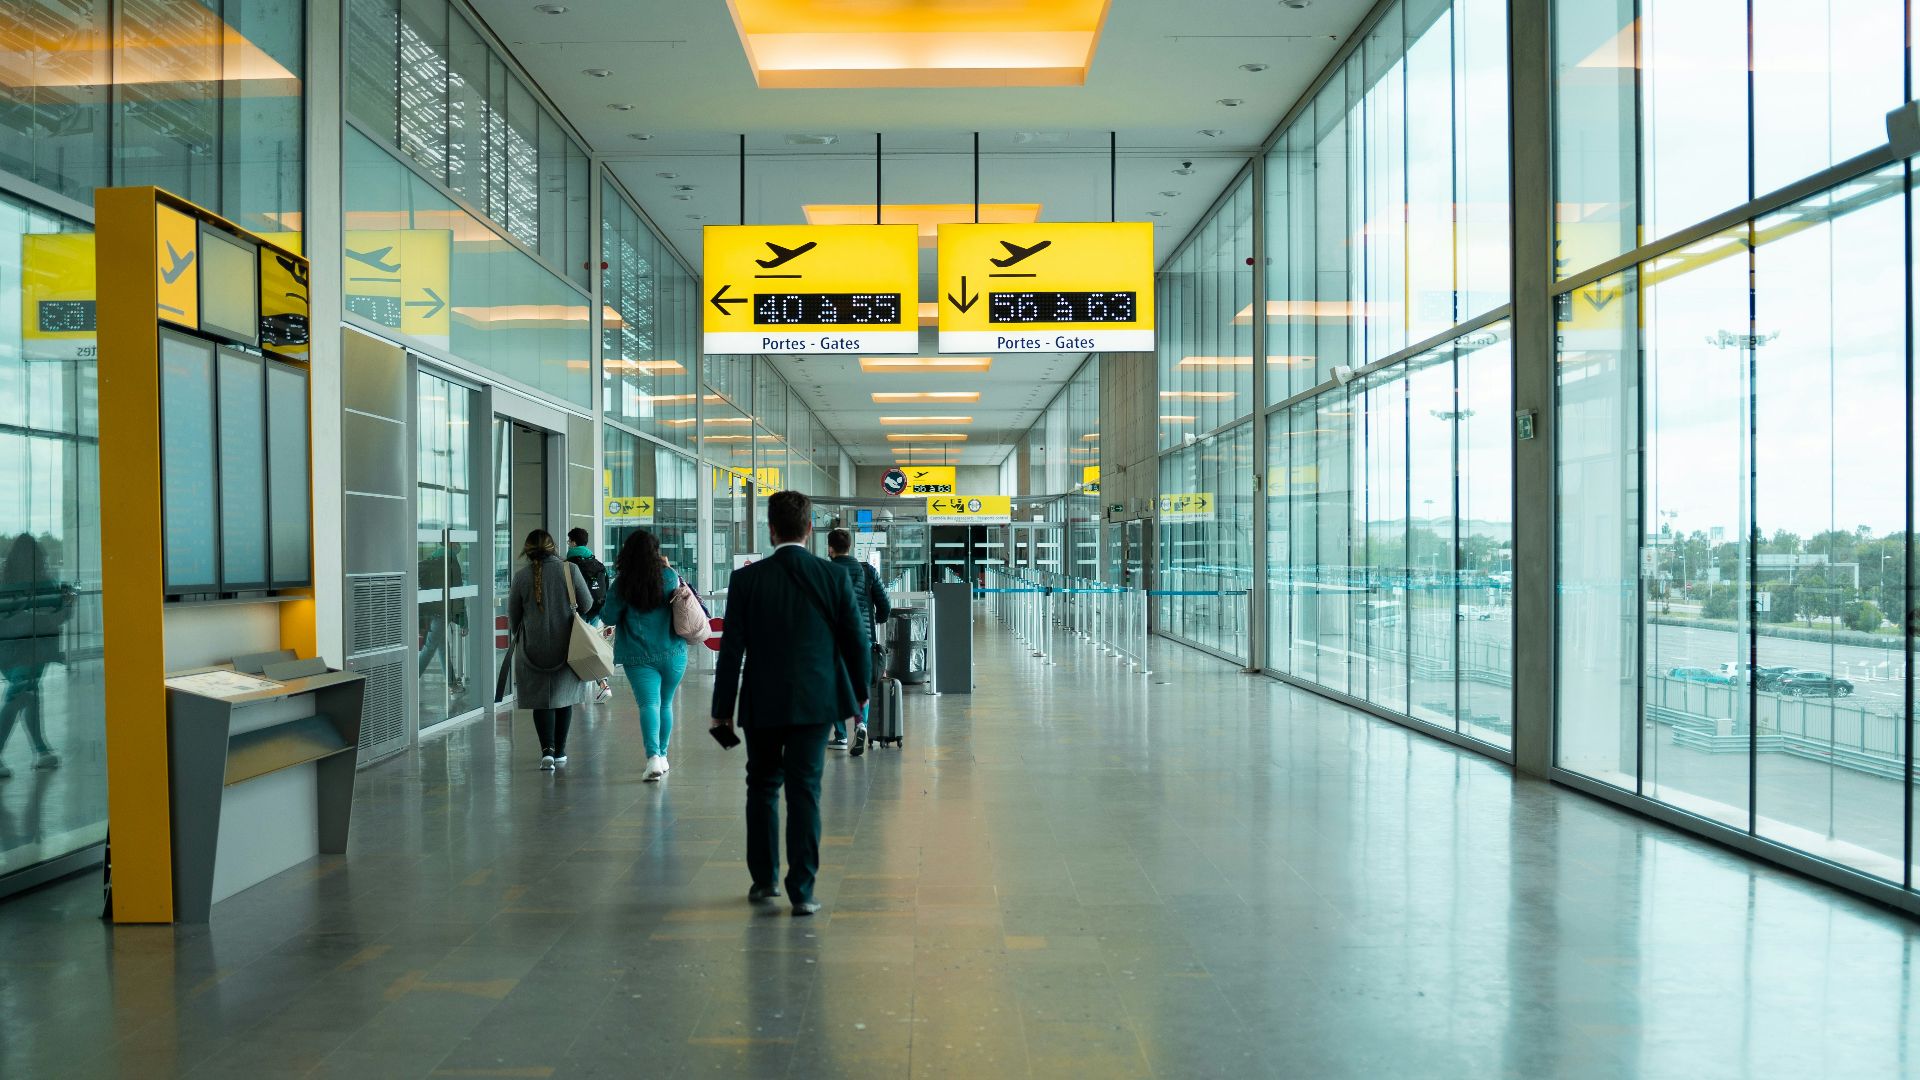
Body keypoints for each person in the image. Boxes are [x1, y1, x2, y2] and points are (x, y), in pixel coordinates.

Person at [711, 491, 869, 916]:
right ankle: (802, 889)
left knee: (761, 785)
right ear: (810, 529)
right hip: (816, 702)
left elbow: (731, 650)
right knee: (806, 790)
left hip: (762, 700)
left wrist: (722, 707)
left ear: (771, 529)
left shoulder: (747, 580)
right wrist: (860, 694)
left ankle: (764, 880)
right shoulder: (832, 577)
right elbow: (856, 639)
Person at [599, 529, 686, 782]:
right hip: (673, 653)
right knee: (666, 703)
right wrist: (667, 567)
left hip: (639, 657)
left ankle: (653, 759)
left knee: (649, 705)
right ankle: (664, 755)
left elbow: (609, 617)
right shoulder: (669, 576)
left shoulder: (622, 584)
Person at [508, 529, 592, 770]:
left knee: (541, 700)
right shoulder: (570, 570)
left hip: (533, 649)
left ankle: (547, 751)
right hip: (566, 646)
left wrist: (525, 637)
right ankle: (561, 752)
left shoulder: (521, 576)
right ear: (553, 547)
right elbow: (586, 604)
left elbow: (514, 617)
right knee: (563, 699)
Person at [0, 534, 72, 779]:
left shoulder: (7, 581)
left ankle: (40, 749)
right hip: (28, 648)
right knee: (23, 691)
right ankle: (39, 749)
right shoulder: (44, 582)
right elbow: (57, 616)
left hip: (19, 648)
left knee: (28, 693)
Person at [825, 527, 892, 754]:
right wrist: (878, 619)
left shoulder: (825, 571)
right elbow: (885, 605)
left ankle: (841, 735)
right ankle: (861, 725)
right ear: (850, 546)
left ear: (830, 548)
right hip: (862, 637)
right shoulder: (867, 571)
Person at [563, 527, 613, 703]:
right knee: (591, 647)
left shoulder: (569, 565)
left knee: (577, 649)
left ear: (574, 542)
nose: (568, 544)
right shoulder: (597, 563)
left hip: (578, 612)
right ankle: (603, 684)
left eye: (569, 541)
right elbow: (606, 587)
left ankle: (582, 689)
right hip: (596, 610)